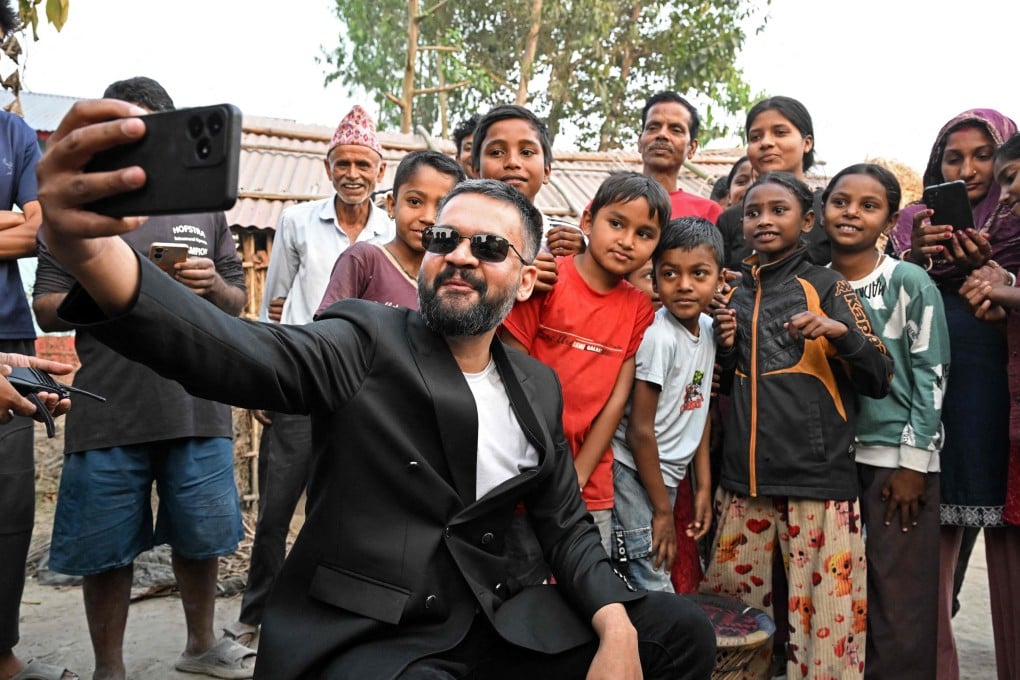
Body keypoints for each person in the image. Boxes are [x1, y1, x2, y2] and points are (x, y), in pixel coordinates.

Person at [34, 96, 718, 679]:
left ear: (523, 275)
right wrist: (91, 252)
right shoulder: (364, 339)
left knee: (679, 631)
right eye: (447, 237)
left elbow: (566, 527)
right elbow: (235, 352)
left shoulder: (535, 385)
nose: (459, 254)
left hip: (496, 620)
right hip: (376, 633)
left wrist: (617, 625)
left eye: (488, 248)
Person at [32, 77, 253, 680]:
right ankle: (110, 669)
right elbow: (45, 304)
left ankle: (201, 644)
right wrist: (110, 284)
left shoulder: (203, 205)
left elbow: (236, 297)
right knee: (104, 548)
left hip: (197, 400)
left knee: (202, 536)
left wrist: (213, 288)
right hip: (110, 405)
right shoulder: (82, 205)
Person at [704, 172, 893, 680]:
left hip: (819, 484)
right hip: (743, 487)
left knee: (828, 629)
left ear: (806, 221)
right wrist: (723, 348)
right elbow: (726, 390)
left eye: (778, 210)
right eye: (753, 211)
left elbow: (881, 372)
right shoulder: (736, 295)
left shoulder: (828, 286)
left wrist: (838, 333)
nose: (763, 220)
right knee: (733, 628)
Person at [233, 104, 395, 647]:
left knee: (351, 505)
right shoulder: (298, 221)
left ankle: (331, 615)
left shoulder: (391, 230)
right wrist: (262, 376)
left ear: (379, 171)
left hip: (367, 387)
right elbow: (272, 303)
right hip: (303, 380)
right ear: (329, 169)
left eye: (362, 165)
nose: (352, 174)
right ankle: (255, 615)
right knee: (278, 505)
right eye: (343, 163)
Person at [887, 109, 1020, 680]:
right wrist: (916, 255)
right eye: (953, 158)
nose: (968, 169)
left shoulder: (1016, 224)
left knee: (1008, 539)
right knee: (928, 544)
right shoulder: (914, 223)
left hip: (1002, 399)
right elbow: (881, 297)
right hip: (930, 399)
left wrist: (997, 277)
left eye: (984, 156)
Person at [824, 163, 950, 679]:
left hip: (895, 463)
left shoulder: (908, 280)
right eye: (841, 200)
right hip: (831, 463)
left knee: (900, 604)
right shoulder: (811, 279)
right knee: (840, 599)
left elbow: (932, 374)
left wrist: (914, 464)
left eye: (869, 205)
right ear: (822, 208)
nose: (852, 212)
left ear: (892, 221)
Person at [500, 172, 668, 555]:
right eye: (616, 224)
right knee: (521, 593)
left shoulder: (638, 306)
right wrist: (544, 469)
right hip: (522, 473)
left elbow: (616, 398)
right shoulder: (548, 279)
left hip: (589, 488)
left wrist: (577, 476)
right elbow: (511, 375)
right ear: (588, 220)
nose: (627, 241)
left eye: (644, 234)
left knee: (588, 593)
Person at [0, 6, 72, 677]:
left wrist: (16, 227)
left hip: (9, 339)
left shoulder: (16, 136)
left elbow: (32, 234)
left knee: (11, 504)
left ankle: (2, 650)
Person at [610, 217, 722, 593]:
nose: (685, 285)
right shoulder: (659, 338)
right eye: (670, 274)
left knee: (650, 574)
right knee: (652, 577)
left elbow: (698, 406)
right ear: (654, 281)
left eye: (699, 274)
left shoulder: (708, 330)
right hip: (633, 471)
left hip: (667, 475)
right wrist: (662, 511)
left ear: (720, 280)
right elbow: (640, 432)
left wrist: (703, 486)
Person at [316, 150, 464, 314]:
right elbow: (327, 332)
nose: (428, 218)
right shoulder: (363, 260)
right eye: (414, 202)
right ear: (392, 206)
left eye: (441, 207)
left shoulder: (451, 277)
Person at [471, 104, 583, 294]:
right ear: (475, 172)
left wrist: (586, 258)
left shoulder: (568, 240)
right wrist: (512, 277)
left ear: (547, 171)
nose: (512, 162)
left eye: (526, 152)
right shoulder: (457, 239)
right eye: (497, 152)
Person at [716, 96, 829, 269]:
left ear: (807, 143)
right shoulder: (730, 220)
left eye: (780, 132)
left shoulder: (829, 208)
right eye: (755, 137)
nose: (766, 143)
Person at [637, 91, 722, 223]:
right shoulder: (609, 203)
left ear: (692, 148)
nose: (662, 134)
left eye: (676, 130)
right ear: (640, 142)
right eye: (653, 127)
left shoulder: (708, 213)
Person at [452, 113, 480, 179]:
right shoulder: (450, 188)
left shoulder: (507, 187)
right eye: (468, 148)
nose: (474, 154)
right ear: (458, 160)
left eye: (480, 148)